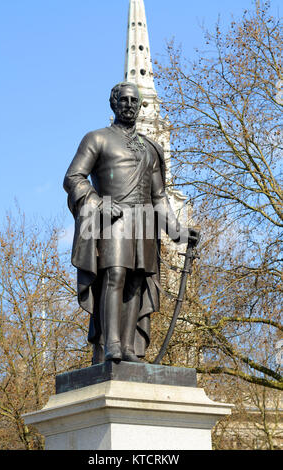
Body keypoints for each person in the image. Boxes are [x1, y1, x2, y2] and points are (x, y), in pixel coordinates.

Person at [64, 82, 198, 364]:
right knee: (114, 275)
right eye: (123, 100)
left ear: (140, 106)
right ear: (113, 104)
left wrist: (178, 232)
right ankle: (109, 343)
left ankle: (127, 347)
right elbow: (74, 177)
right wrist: (97, 204)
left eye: (134, 101)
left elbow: (159, 197)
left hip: (145, 223)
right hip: (113, 219)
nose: (128, 105)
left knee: (137, 282)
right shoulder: (97, 138)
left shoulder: (152, 149)